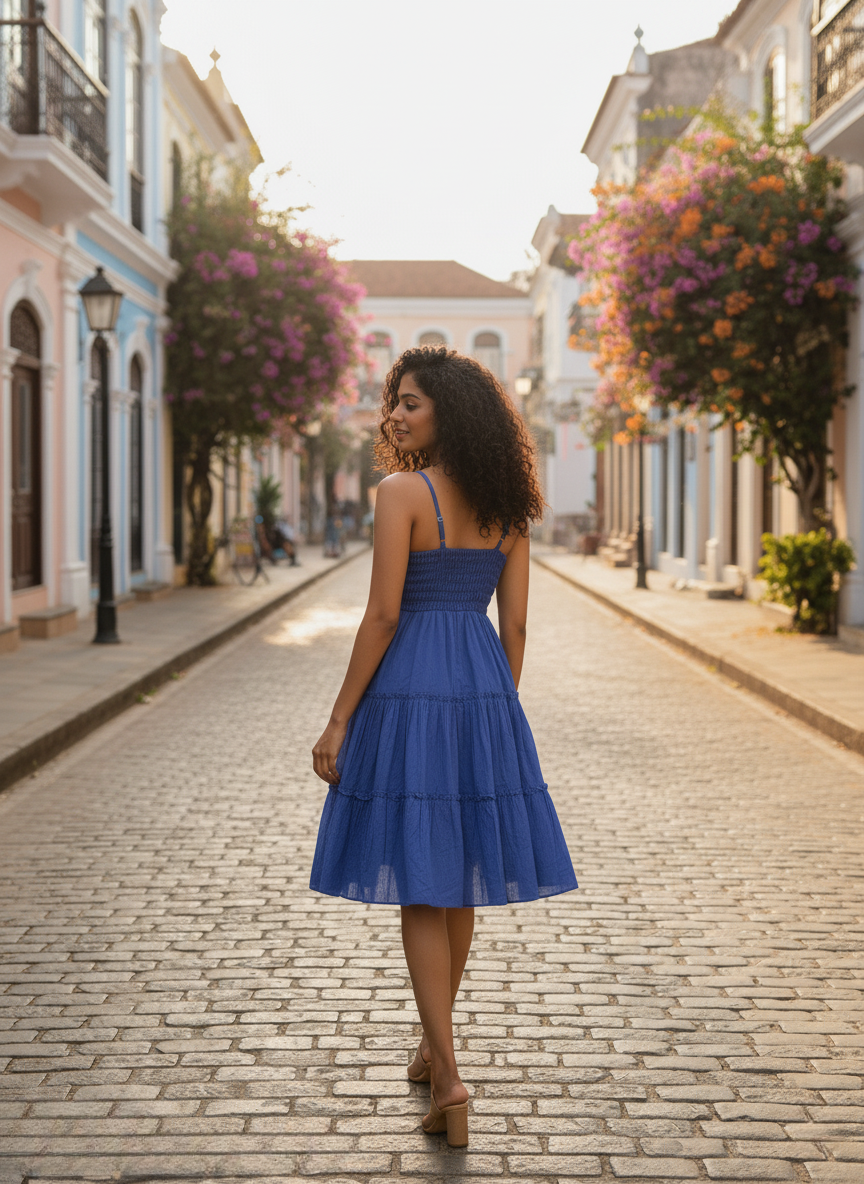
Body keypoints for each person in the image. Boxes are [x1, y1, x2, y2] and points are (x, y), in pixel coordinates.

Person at [309, 345, 577, 1147]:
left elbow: (384, 616)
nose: (393, 414)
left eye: (410, 402)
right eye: (393, 401)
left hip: (410, 691)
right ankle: (433, 1047)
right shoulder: (509, 506)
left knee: (423, 887)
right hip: (482, 688)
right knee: (456, 878)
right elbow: (517, 624)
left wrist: (338, 718)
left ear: (448, 412)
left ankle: (451, 1077)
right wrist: (496, 702)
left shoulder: (401, 492)